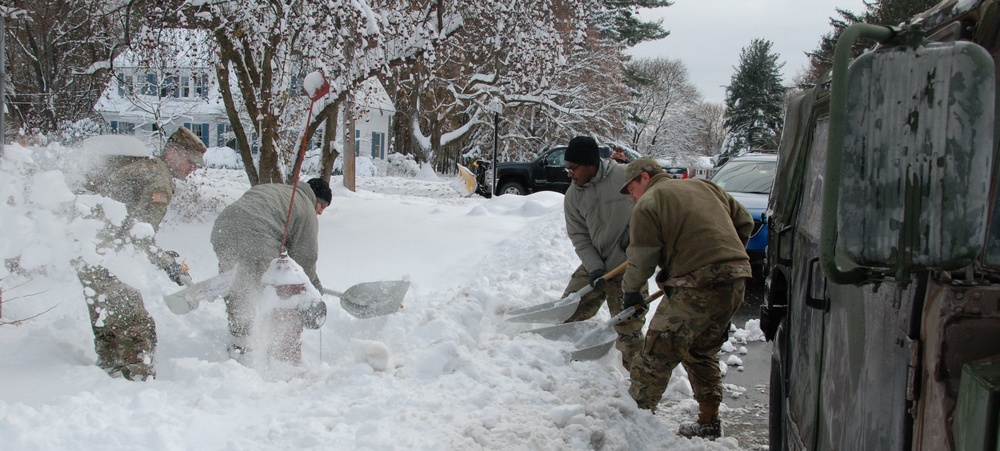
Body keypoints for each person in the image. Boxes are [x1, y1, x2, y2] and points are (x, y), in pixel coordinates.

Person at [618, 157, 754, 440]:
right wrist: (724, 258)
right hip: (736, 280)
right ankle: (708, 421)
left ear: (644, 177)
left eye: (630, 188)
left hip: (696, 285)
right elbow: (745, 221)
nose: (631, 197)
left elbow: (641, 258)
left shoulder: (649, 202)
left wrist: (631, 293)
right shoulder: (706, 187)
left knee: (656, 353)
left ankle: (631, 432)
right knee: (700, 351)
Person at [76, 127, 205, 381]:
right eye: (191, 162)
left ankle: (108, 378)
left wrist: (159, 253)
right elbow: (139, 235)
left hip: (90, 256)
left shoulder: (144, 169)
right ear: (174, 154)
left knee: (108, 327)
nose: (193, 169)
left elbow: (129, 224)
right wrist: (168, 264)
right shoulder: (159, 181)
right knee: (138, 330)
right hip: (110, 261)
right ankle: (139, 384)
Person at [210, 177, 332, 359]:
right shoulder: (306, 206)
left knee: (238, 285)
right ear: (316, 199)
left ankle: (240, 340)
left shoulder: (276, 190)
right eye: (322, 206)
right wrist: (313, 287)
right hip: (257, 235)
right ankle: (281, 354)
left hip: (224, 229)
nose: (321, 212)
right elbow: (305, 256)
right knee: (279, 292)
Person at [561, 136, 647, 371]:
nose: (568, 174)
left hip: (628, 265)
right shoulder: (573, 196)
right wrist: (594, 266)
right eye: (566, 168)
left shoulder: (625, 176)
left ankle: (638, 386)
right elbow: (580, 237)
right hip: (596, 262)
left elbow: (651, 207)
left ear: (590, 164)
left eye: (572, 168)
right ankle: (559, 366)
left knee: (629, 330)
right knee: (568, 309)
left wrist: (635, 248)